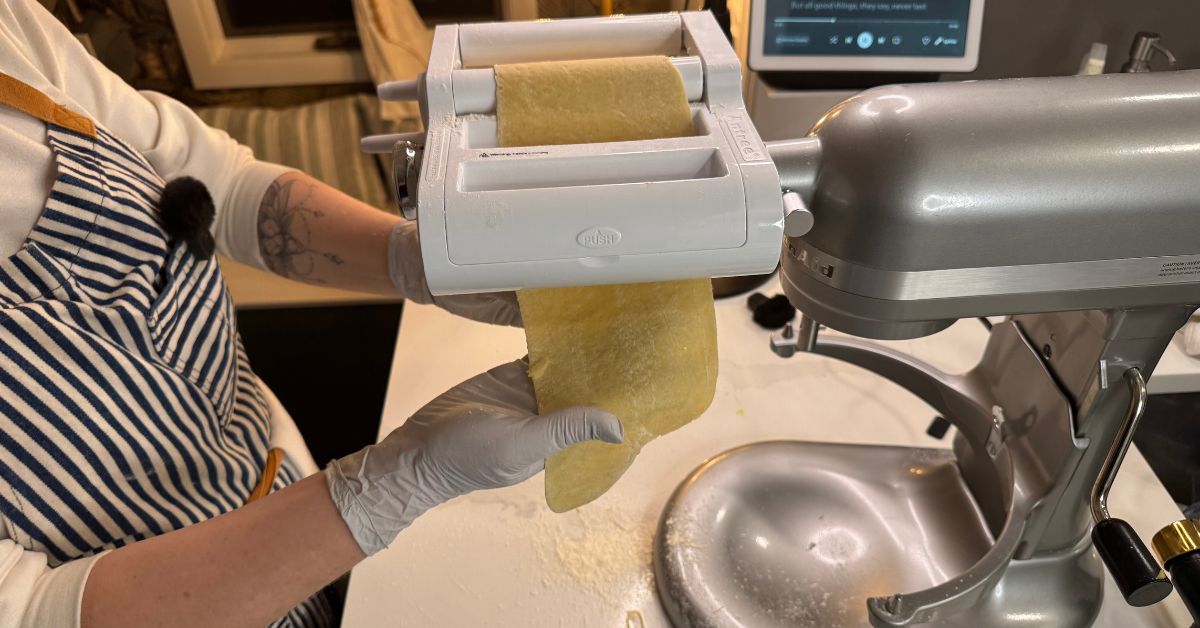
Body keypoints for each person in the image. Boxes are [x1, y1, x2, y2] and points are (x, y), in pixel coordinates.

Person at [0, 1, 623, 626]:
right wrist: (392, 488)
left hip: (281, 486)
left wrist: (413, 260)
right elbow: (35, 614)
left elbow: (218, 185)